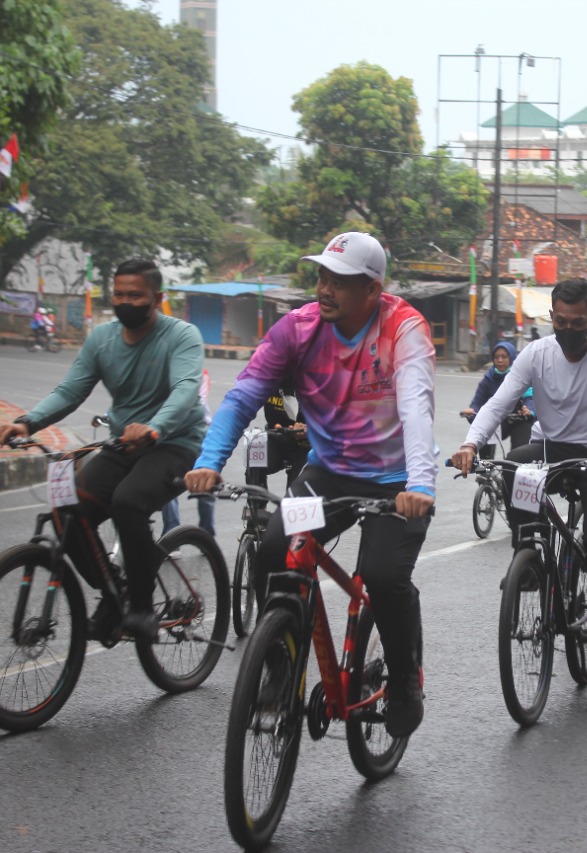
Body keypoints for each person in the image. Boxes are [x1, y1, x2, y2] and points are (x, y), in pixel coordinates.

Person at [185, 232, 435, 738]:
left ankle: (406, 679)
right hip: (328, 474)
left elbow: (416, 404)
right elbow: (244, 397)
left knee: (385, 578)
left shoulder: (403, 327)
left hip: (398, 481)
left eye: (339, 281)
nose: (324, 288)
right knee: (275, 549)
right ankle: (280, 670)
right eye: (321, 276)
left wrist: (421, 485)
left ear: (371, 289)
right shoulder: (296, 329)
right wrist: (210, 461)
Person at [0, 260, 207, 641]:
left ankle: (141, 607)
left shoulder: (182, 336)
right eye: (120, 294)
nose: (126, 302)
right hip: (122, 443)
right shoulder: (102, 339)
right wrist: (28, 422)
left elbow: (185, 389)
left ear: (157, 298)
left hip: (175, 443)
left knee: (128, 502)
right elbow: (71, 390)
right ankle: (114, 591)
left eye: (136, 296)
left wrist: (155, 427)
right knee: (67, 506)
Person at [451, 281, 587, 682]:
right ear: (551, 318)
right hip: (552, 449)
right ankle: (530, 558)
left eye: (578, 323)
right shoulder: (537, 354)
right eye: (561, 321)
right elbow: (499, 402)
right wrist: (471, 443)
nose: (569, 330)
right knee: (511, 468)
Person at [160, 369, 216, 537]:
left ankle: (207, 534)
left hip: (199, 433)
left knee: (203, 484)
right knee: (165, 483)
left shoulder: (200, 374)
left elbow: (197, 403)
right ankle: (171, 531)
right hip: (171, 435)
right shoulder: (162, 372)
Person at [461, 341, 534, 459]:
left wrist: (529, 410)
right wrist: (472, 410)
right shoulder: (488, 378)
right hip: (499, 421)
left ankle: (515, 472)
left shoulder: (520, 376)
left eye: (504, 357)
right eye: (496, 357)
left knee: (518, 455)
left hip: (519, 420)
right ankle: (486, 471)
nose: (500, 360)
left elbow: (529, 398)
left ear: (511, 358)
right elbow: (478, 402)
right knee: (484, 429)